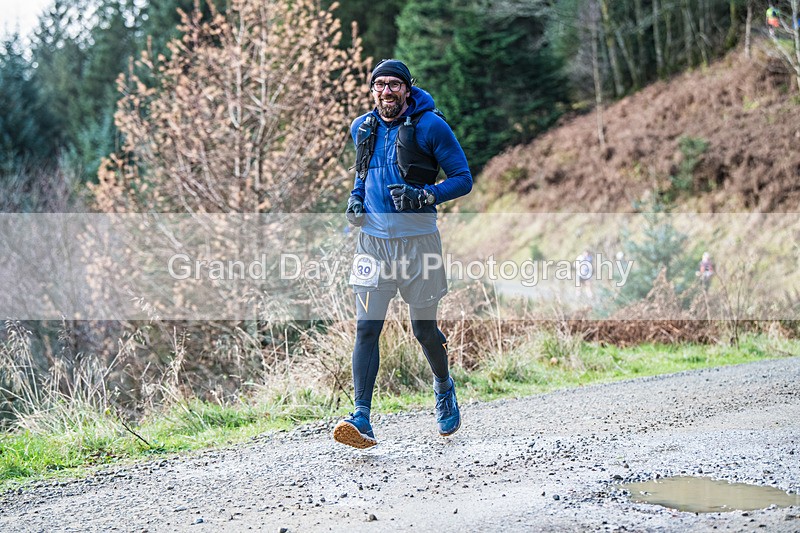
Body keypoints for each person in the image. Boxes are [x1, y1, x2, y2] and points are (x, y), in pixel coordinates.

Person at [334, 59, 473, 449]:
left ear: (407, 89)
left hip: (419, 244)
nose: (387, 91)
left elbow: (463, 179)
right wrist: (355, 201)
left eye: (394, 84)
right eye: (379, 85)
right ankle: (361, 417)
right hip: (373, 245)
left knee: (423, 330)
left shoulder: (432, 126)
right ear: (372, 90)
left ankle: (444, 386)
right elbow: (362, 175)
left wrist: (426, 194)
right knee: (366, 327)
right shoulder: (362, 128)